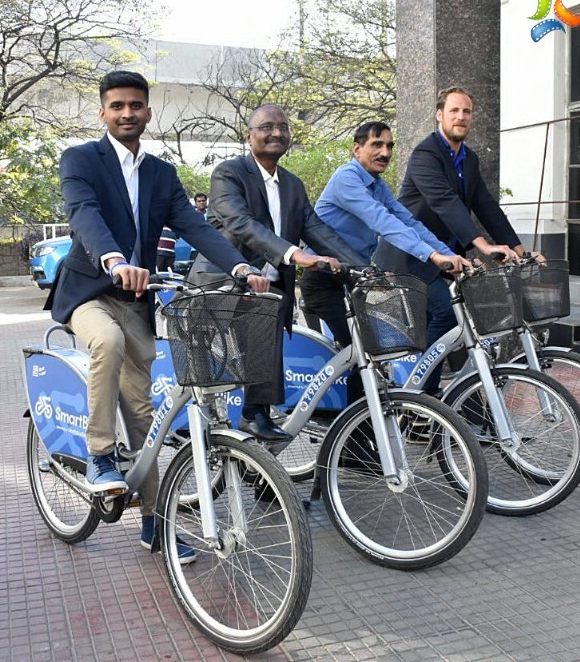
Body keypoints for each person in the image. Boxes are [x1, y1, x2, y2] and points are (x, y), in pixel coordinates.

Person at [45, 71, 268, 563]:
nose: (127, 113)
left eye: (136, 106)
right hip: (89, 291)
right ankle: (100, 454)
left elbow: (191, 223)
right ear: (103, 112)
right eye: (117, 105)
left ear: (148, 112)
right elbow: (85, 215)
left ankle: (155, 521)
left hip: (137, 302)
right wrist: (114, 259)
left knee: (144, 412)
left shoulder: (162, 173)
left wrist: (239, 265)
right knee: (105, 341)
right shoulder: (80, 159)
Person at [189, 104, 367, 442]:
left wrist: (362, 268)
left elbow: (318, 230)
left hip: (266, 291)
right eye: (267, 127)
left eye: (283, 127)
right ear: (249, 135)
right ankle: (249, 418)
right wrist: (294, 253)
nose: (276, 133)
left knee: (268, 324)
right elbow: (242, 224)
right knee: (254, 334)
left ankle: (257, 428)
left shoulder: (293, 186)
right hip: (224, 282)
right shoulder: (229, 174)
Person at [375, 87, 543, 397]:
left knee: (460, 318)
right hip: (410, 255)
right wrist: (483, 246)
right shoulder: (426, 154)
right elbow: (445, 202)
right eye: (454, 111)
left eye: (466, 111)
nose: (460, 117)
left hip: (442, 255)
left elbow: (486, 206)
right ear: (440, 115)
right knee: (446, 314)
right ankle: (421, 400)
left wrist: (521, 250)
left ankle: (453, 400)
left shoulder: (469, 160)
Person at [299, 121, 471, 351]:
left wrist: (448, 255)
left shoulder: (378, 185)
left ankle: (413, 386)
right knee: (360, 354)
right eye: (377, 145)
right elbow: (382, 221)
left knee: (371, 354)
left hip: (350, 276)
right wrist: (431, 255)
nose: (385, 153)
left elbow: (409, 222)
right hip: (322, 278)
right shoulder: (347, 178)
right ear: (357, 149)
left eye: (390, 146)